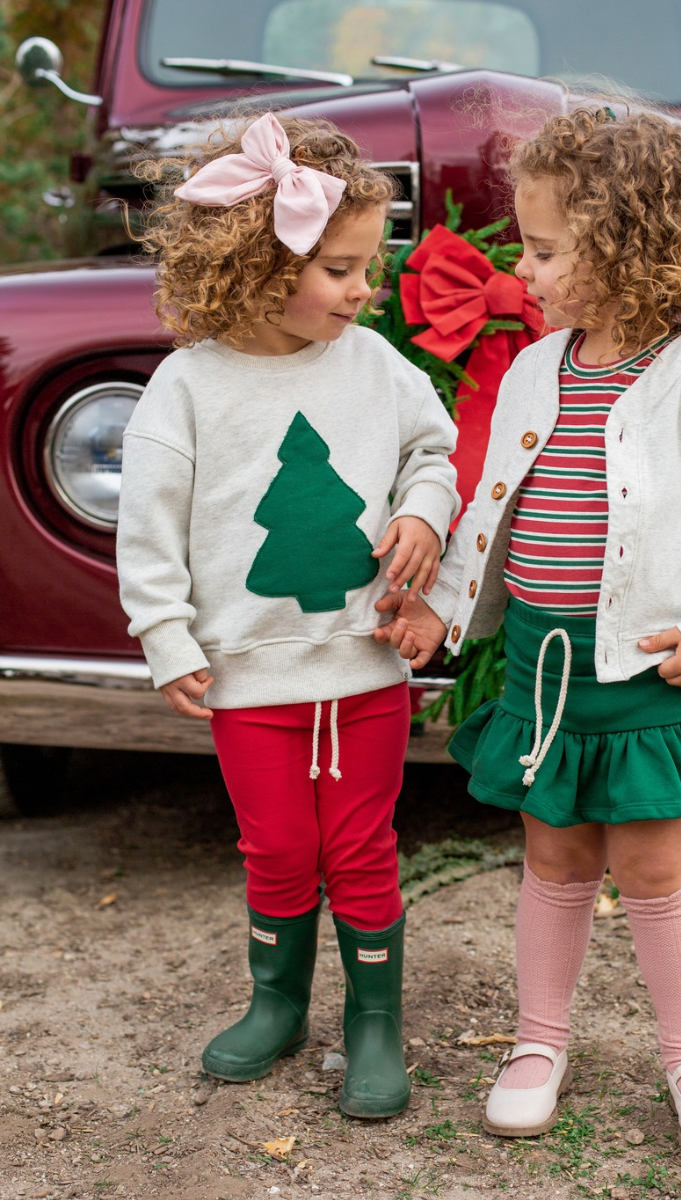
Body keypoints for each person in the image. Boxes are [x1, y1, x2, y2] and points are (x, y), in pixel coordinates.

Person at [373, 105, 681, 1150]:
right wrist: (441, 606)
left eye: (553, 248)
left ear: (631, 245)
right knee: (554, 861)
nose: (532, 269)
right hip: (540, 671)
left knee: (656, 872)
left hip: (649, 678)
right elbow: (493, 507)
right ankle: (538, 1040)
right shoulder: (535, 366)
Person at [117, 111, 459, 1119]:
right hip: (248, 676)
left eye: (369, 266)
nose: (367, 290)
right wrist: (166, 635)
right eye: (342, 270)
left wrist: (420, 515)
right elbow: (149, 528)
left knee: (359, 847)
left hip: (364, 665)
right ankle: (277, 1003)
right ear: (261, 267)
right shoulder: (187, 388)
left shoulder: (375, 367)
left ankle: (373, 1020)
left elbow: (432, 453)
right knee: (275, 847)